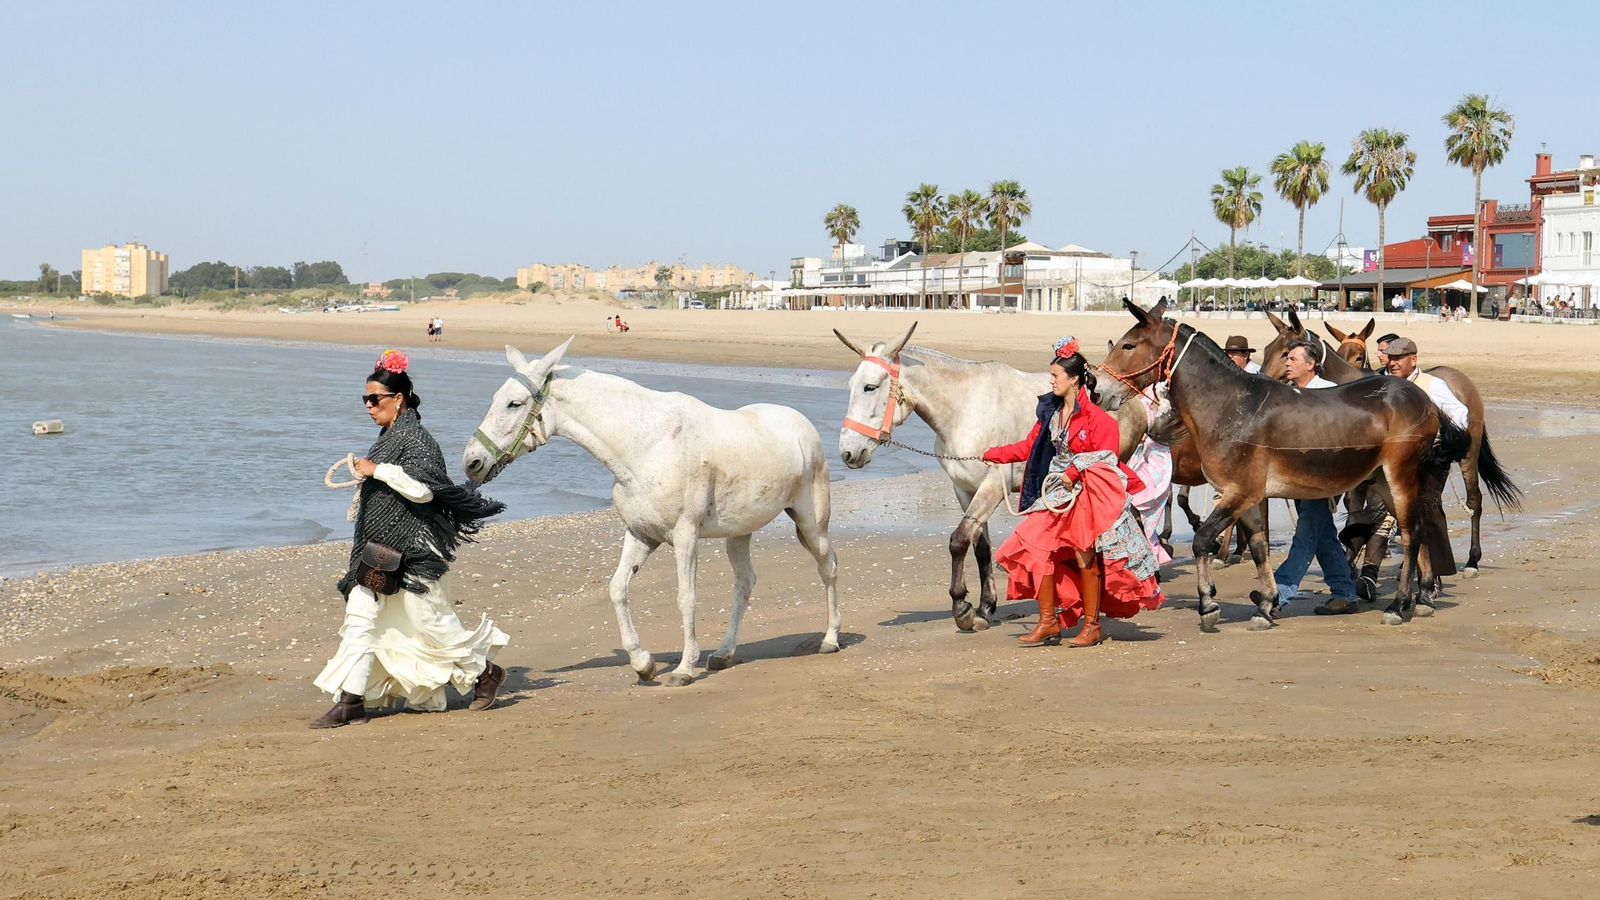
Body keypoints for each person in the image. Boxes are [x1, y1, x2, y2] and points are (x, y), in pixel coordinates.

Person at [311, 349, 511, 728]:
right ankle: (351, 701)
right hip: (377, 550)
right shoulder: (388, 437)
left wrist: (377, 470)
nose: (369, 407)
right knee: (361, 619)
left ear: (398, 399)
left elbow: (424, 491)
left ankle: (486, 674)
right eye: (365, 400)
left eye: (375, 399)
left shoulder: (418, 440)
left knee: (432, 623)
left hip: (416, 549)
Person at [981, 336, 1162, 648]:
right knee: (1037, 548)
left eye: (1056, 376)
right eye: (1051, 375)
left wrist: (1073, 471)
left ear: (1074, 379)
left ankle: (1092, 626)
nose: (1051, 381)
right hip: (1058, 495)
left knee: (1084, 556)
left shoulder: (1100, 419)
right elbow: (1030, 446)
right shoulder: (1052, 415)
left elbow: (1105, 457)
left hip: (1090, 494)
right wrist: (994, 453)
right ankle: (1048, 621)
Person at [1269, 340, 1359, 614]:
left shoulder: (1329, 393)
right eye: (1287, 358)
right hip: (1294, 475)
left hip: (1323, 476)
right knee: (1323, 535)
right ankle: (1344, 593)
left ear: (1311, 364)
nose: (1287, 362)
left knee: (1308, 530)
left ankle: (1279, 592)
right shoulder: (1288, 393)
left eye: (1293, 359)